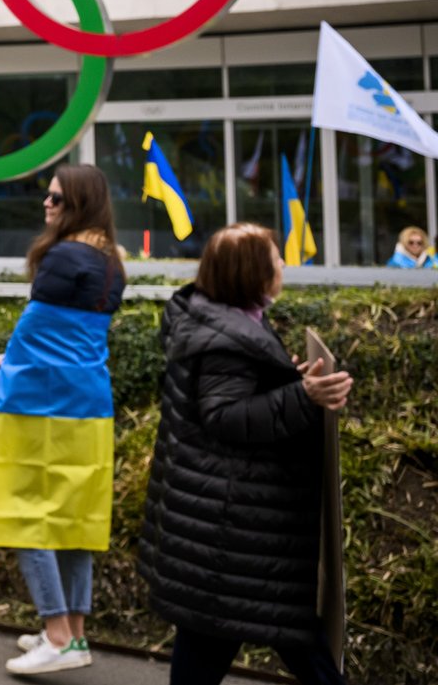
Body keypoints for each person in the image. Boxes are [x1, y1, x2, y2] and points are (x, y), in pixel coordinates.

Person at [138, 223, 353, 685]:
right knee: (286, 640)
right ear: (251, 273)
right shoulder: (225, 337)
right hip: (232, 530)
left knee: (216, 638)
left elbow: (232, 397)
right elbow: (225, 416)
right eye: (275, 258)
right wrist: (303, 397)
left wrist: (289, 384)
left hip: (224, 527)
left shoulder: (220, 318)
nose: (282, 265)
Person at [0, 164, 124, 675]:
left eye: (56, 200)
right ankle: (76, 638)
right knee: (74, 522)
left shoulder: (62, 256)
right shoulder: (112, 261)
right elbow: (70, 335)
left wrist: (11, 364)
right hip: (88, 403)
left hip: (39, 403)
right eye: (47, 198)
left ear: (79, 205)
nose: (46, 206)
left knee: (26, 515)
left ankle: (55, 633)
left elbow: (36, 327)